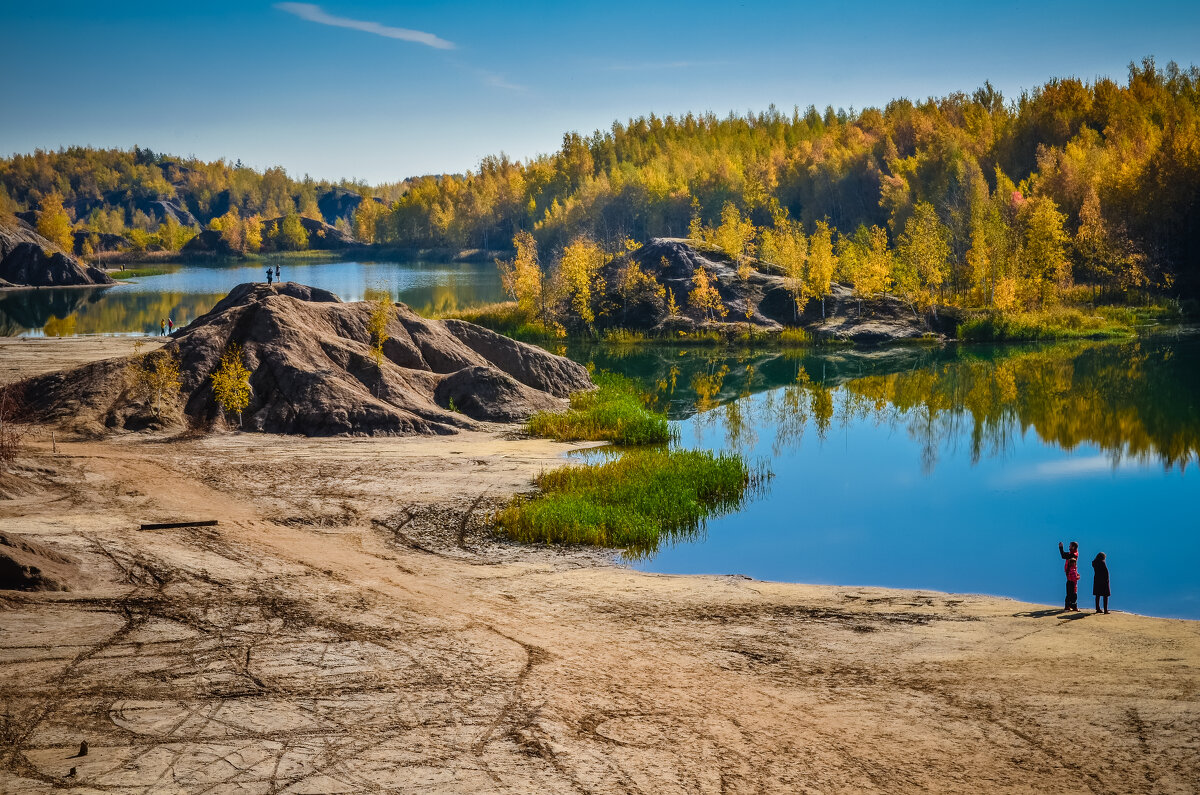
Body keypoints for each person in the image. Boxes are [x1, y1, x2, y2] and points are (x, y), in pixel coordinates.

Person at [1059, 541, 1080, 611]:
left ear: (1073, 547)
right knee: (1071, 591)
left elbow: (1064, 556)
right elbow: (1064, 555)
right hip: (1070, 574)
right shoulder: (1072, 553)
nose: (1069, 547)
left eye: (1070, 546)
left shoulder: (1074, 554)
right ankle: (1069, 606)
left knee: (1072, 592)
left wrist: (1061, 548)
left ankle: (1071, 606)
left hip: (1071, 574)